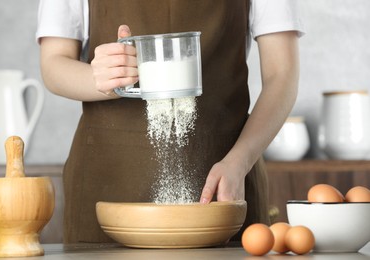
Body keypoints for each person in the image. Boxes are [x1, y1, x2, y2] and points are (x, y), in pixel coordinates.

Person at [37, 0, 304, 243]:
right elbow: (53, 63)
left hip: (223, 183)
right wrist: (101, 79)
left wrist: (240, 161)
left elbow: (282, 74)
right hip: (107, 181)